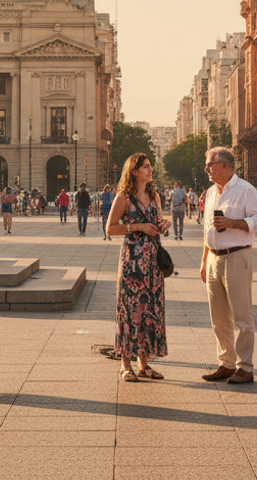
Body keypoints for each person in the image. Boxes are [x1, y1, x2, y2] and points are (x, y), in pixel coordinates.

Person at [199, 146, 257, 384]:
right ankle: (226, 363)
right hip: (213, 258)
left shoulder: (245, 189)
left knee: (241, 315)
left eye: (210, 164)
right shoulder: (210, 193)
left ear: (226, 166)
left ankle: (245, 366)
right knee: (218, 317)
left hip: (237, 256)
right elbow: (207, 229)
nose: (206, 168)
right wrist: (203, 261)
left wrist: (233, 223)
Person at [107, 154, 170, 382]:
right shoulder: (124, 197)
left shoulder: (154, 196)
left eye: (150, 166)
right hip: (132, 264)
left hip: (152, 264)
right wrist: (137, 226)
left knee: (150, 312)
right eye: (145, 167)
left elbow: (158, 220)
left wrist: (162, 225)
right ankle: (125, 365)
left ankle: (144, 365)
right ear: (134, 171)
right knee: (129, 311)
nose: (150, 170)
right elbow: (110, 229)